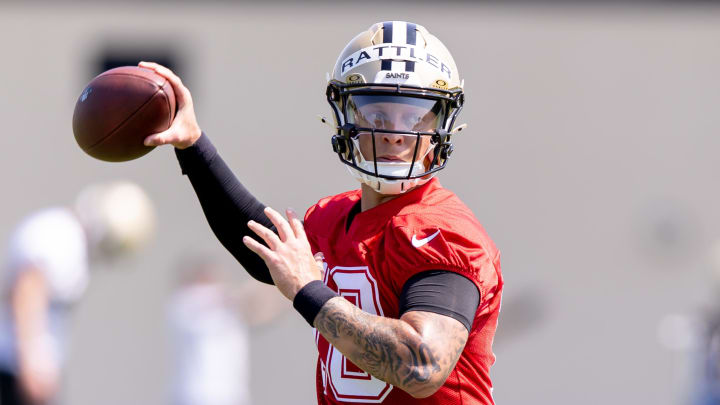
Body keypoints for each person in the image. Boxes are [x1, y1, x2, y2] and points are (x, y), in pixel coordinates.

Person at [140, 21, 503, 404]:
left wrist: (308, 290)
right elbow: (263, 251)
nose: (397, 133)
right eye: (378, 114)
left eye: (416, 117)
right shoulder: (334, 217)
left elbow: (421, 365)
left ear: (441, 127)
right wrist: (193, 144)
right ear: (346, 117)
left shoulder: (441, 231)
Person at [0, 181, 155, 405]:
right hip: (16, 368)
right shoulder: (62, 236)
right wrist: (31, 365)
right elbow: (27, 291)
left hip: (27, 367)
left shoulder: (64, 234)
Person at [167, 257, 288, 405]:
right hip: (197, 396)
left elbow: (259, 312)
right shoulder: (187, 300)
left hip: (230, 394)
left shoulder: (227, 307)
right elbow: (243, 297)